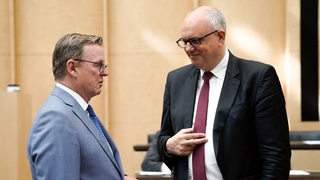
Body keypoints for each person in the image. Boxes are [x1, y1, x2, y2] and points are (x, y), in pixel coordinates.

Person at [157, 6, 291, 180]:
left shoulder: (257, 78)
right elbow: (163, 138)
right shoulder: (176, 80)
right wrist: (168, 145)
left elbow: (276, 156)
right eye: (185, 41)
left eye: (196, 41)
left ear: (220, 37)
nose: (189, 48)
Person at [27, 33, 136, 180]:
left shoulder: (79, 112)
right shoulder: (56, 119)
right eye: (98, 65)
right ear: (72, 68)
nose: (105, 72)